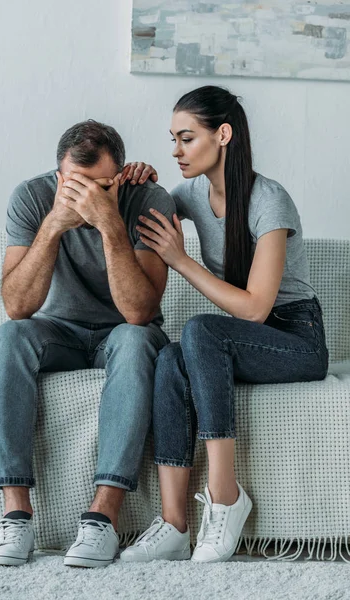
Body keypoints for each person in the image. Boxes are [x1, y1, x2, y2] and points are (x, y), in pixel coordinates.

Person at [119, 85, 329, 564]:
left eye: (187, 138)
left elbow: (256, 309)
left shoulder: (270, 201)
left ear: (224, 134)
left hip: (295, 339)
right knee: (171, 357)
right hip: (241, 339)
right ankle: (174, 523)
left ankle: (225, 496)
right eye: (172, 139)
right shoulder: (191, 194)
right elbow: (147, 206)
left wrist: (181, 260)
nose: (176, 151)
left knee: (199, 330)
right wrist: (139, 180)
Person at [0, 120, 175, 567]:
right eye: (75, 185)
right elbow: (17, 305)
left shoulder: (147, 198)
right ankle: (16, 515)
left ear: (121, 175)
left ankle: (101, 519)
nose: (86, 196)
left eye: (100, 186)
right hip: (59, 332)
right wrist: (53, 225)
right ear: (58, 177)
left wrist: (109, 222)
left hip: (123, 332)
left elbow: (139, 312)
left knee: (134, 338)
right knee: (10, 335)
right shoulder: (31, 198)